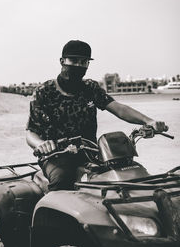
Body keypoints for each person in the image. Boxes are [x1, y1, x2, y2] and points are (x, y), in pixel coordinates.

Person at [26, 40, 167, 191]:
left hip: (91, 152)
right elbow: (31, 132)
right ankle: (52, 215)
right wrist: (41, 144)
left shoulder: (90, 88)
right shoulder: (44, 92)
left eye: (84, 62)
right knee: (62, 180)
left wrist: (148, 121)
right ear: (62, 61)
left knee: (129, 173)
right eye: (74, 61)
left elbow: (118, 108)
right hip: (56, 156)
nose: (79, 66)